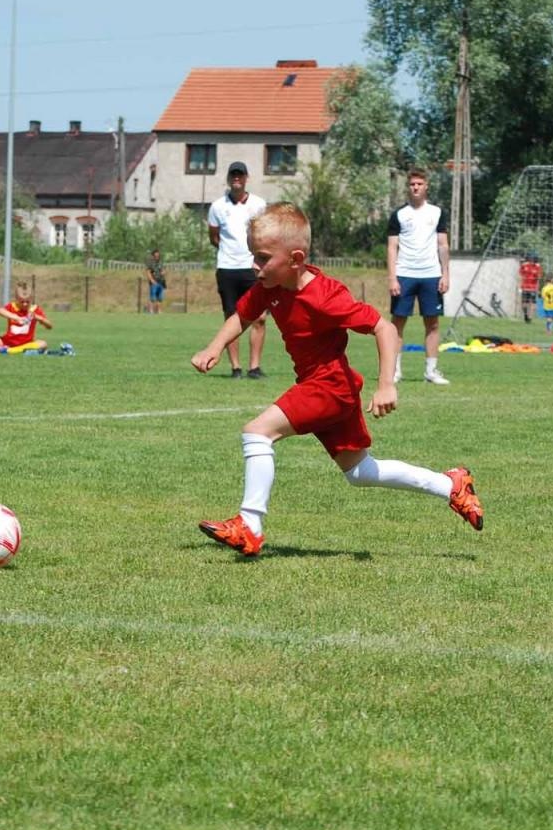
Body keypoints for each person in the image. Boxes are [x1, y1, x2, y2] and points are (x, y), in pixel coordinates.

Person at [189, 203, 483, 557]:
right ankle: (449, 484)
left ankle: (249, 525)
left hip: (328, 384)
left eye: (263, 257)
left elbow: (384, 327)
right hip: (329, 386)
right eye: (253, 255)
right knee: (360, 472)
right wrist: (215, 346)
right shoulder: (271, 285)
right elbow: (243, 315)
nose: (255, 265)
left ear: (295, 259)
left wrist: (387, 383)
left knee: (257, 431)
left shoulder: (325, 295)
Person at [386, 169, 451, 385]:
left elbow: (443, 245)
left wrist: (445, 274)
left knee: (432, 324)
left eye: (420, 184)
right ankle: (395, 371)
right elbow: (392, 247)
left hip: (431, 275)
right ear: (408, 187)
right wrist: (392, 278)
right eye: (412, 184)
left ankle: (431, 371)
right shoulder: (399, 215)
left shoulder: (437, 213)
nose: (416, 187)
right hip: (404, 274)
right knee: (397, 325)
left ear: (426, 186)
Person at [208, 160, 269, 378]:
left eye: (240, 175)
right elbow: (214, 237)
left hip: (251, 268)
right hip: (227, 268)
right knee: (231, 317)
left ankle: (254, 367)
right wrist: (228, 252)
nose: (237, 178)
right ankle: (235, 367)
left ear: (246, 178)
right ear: (228, 178)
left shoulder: (259, 205)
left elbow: (265, 234)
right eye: (233, 175)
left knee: (260, 317)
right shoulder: (217, 207)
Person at [0, 281, 53, 352]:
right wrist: (16, 317)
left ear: (31, 299)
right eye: (22, 301)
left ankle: (11, 350)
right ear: (16, 299)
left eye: (27, 302)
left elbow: (50, 326)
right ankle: (8, 348)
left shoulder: (35, 309)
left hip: (26, 344)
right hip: (8, 342)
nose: (25, 304)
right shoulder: (12, 306)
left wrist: (38, 318)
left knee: (43, 344)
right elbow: (0, 311)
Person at [517, 255, 543, 323]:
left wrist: (519, 286)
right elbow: (539, 279)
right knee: (532, 303)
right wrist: (538, 288)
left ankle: (526, 315)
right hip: (532, 288)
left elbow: (520, 275)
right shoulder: (537, 267)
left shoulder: (524, 265)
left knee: (524, 302)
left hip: (525, 287)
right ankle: (529, 317)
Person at [145, 248, 167, 315]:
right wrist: (152, 280)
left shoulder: (161, 262)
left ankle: (159, 311)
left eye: (158, 255)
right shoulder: (150, 263)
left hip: (161, 281)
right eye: (156, 255)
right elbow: (148, 272)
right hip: (154, 281)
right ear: (153, 255)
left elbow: (164, 270)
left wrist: (164, 272)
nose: (157, 256)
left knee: (160, 297)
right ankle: (151, 310)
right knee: (152, 297)